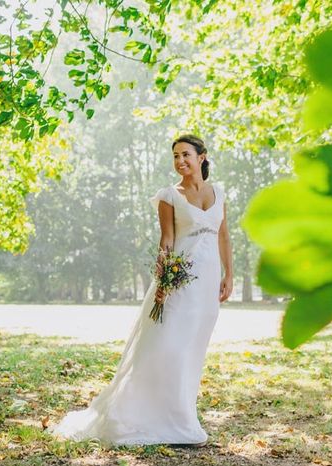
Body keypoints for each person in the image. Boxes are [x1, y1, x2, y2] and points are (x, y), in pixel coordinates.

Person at [46, 133, 234, 447]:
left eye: (186, 154)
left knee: (191, 351)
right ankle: (158, 418)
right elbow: (167, 241)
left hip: (208, 283)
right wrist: (162, 281)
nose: (180, 161)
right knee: (166, 345)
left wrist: (230, 274)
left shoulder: (220, 193)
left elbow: (224, 236)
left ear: (202, 157)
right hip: (179, 280)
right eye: (175, 156)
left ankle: (183, 413)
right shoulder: (168, 196)